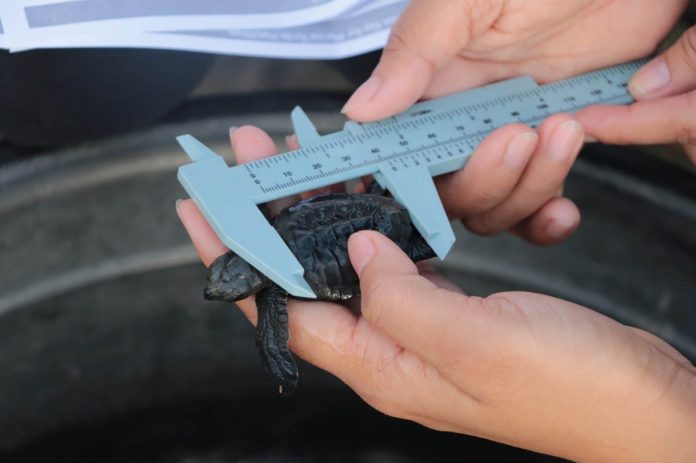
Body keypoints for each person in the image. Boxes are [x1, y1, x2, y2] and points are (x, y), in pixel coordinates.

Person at [178, 1, 696, 461]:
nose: (222, 286)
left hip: (375, 222)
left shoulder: (275, 281)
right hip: (370, 208)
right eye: (228, 283)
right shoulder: (270, 249)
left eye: (228, 280)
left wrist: (655, 404)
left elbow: (275, 332)